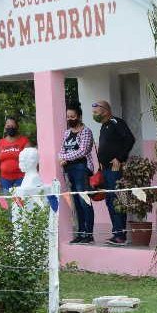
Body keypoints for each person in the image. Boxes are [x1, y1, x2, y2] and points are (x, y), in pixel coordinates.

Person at [92, 100, 135, 246]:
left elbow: (130, 139)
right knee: (110, 201)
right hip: (105, 169)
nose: (94, 115)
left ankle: (121, 236)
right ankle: (116, 233)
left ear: (105, 110)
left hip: (115, 169)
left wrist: (120, 158)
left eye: (96, 112)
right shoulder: (104, 126)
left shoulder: (117, 122)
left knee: (118, 200)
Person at [59, 102, 95, 245]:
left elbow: (83, 151)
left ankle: (89, 233)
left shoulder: (86, 131)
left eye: (73, 116)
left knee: (84, 201)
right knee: (76, 203)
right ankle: (80, 232)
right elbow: (62, 149)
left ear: (79, 116)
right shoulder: (67, 132)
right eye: (68, 117)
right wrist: (61, 157)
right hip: (69, 170)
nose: (70, 119)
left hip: (81, 169)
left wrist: (65, 158)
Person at [0, 115, 30, 192]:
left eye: (13, 126)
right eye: (8, 126)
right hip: (4, 180)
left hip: (21, 178)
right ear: (5, 127)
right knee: (7, 203)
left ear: (17, 127)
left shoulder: (24, 141)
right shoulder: (1, 142)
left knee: (21, 202)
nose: (10, 128)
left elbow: (30, 160)